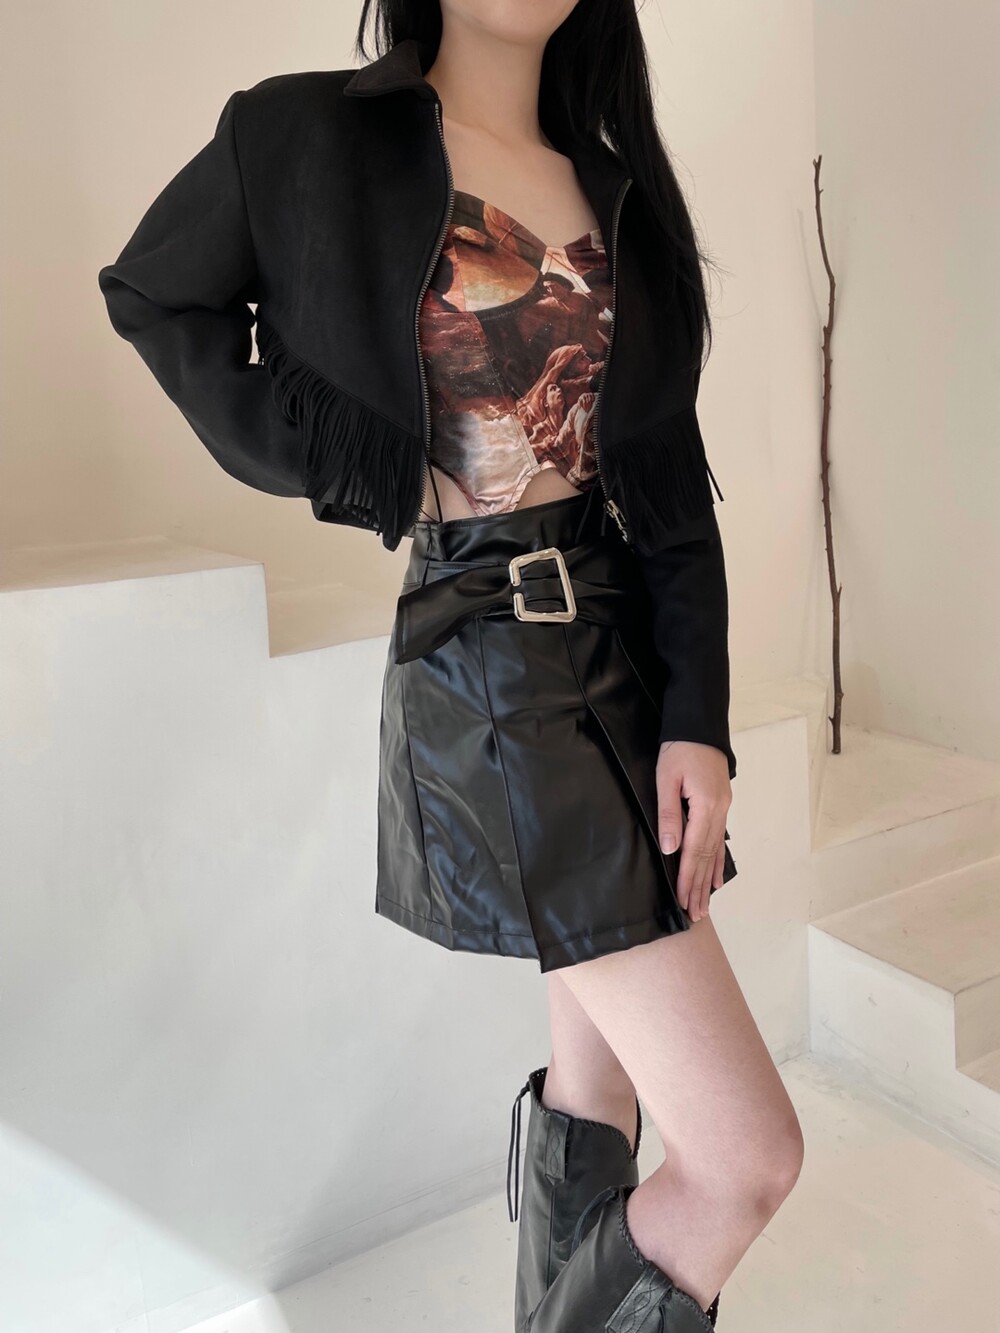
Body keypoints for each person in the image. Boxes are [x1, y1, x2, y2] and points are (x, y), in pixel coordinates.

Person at [98, 1, 805, 1328]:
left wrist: (700, 719)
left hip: (620, 654)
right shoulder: (308, 135)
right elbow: (154, 292)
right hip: (490, 664)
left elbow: (667, 486)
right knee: (748, 1159)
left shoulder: (614, 184)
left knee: (600, 1091)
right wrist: (341, 454)